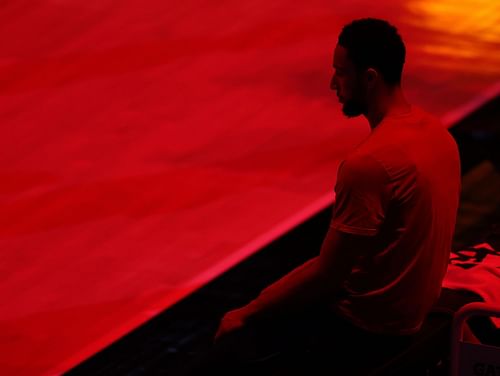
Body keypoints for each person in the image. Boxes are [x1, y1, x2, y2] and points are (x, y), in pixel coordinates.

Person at [187, 17, 461, 375]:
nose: (333, 83)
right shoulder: (438, 136)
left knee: (223, 353)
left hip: (366, 332)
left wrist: (246, 312)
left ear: (370, 78)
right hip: (411, 313)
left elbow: (329, 274)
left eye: (340, 72)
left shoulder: (368, 164)